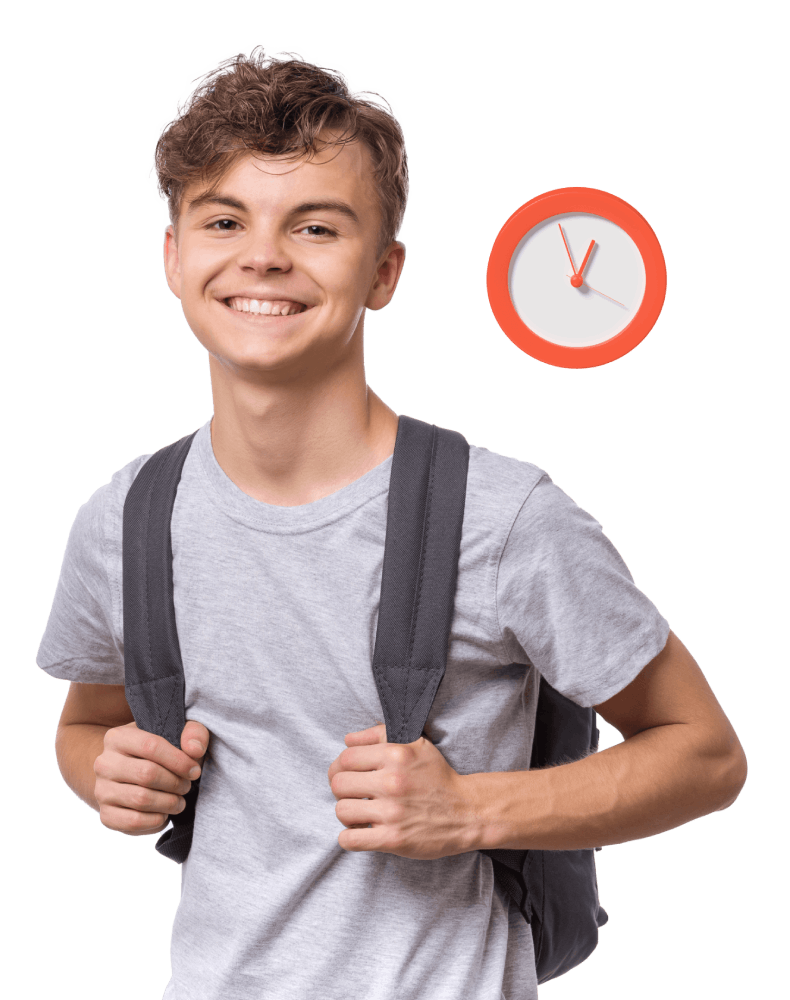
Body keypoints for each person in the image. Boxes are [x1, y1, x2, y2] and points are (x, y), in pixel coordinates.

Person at [37, 44, 746, 1000]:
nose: (263, 256)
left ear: (384, 271)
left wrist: (469, 810)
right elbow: (86, 723)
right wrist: (102, 771)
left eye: (315, 227)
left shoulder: (504, 517)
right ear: (173, 255)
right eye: (223, 219)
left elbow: (704, 754)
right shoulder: (123, 520)